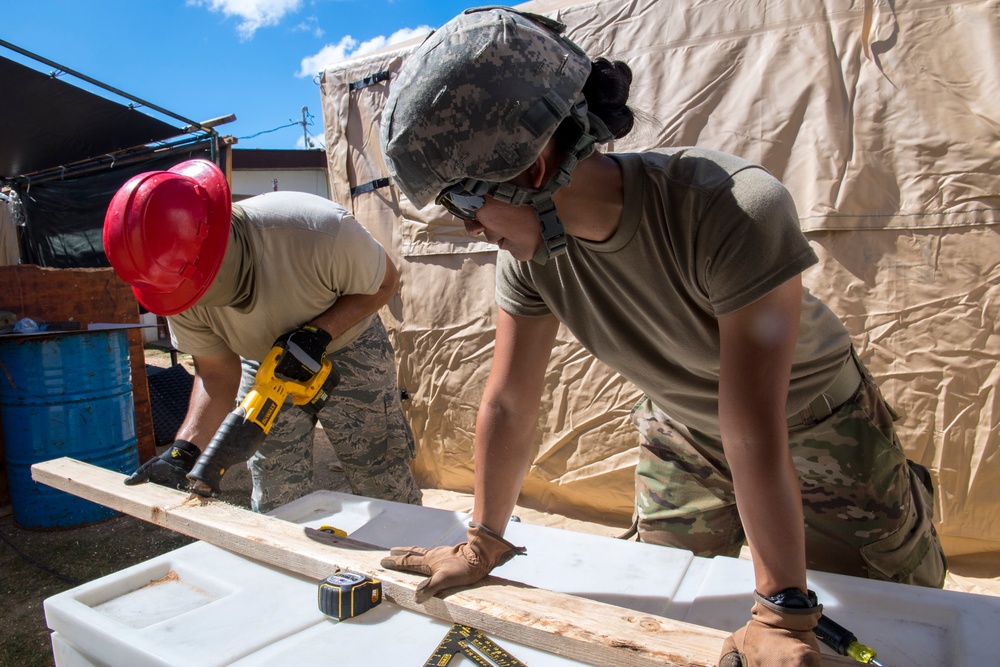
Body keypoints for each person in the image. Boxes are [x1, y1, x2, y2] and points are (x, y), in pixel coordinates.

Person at [376, 7, 946, 667]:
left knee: (898, 626)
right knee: (663, 604)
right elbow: (508, 403)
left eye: (465, 203)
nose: (470, 229)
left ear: (531, 170)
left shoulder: (729, 207)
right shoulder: (528, 259)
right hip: (682, 425)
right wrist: (482, 539)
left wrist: (782, 608)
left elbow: (755, 425)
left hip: (816, 422)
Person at [103, 158, 422, 513]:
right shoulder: (172, 285)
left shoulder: (316, 230)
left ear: (216, 243)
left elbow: (386, 282)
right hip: (263, 364)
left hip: (349, 347)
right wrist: (184, 451)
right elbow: (217, 373)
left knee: (380, 473)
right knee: (274, 489)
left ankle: (407, 551)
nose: (192, 300)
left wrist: (320, 333)